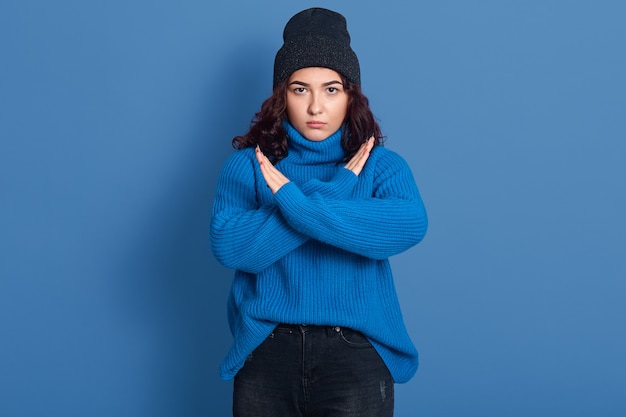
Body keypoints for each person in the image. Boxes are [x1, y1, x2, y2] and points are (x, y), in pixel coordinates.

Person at [210, 7, 428, 416]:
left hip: (355, 354)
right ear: (281, 94)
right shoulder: (249, 166)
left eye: (331, 89)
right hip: (267, 350)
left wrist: (292, 199)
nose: (315, 106)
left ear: (351, 95)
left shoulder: (382, 166)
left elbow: (409, 225)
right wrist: (337, 192)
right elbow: (231, 248)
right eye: (299, 89)